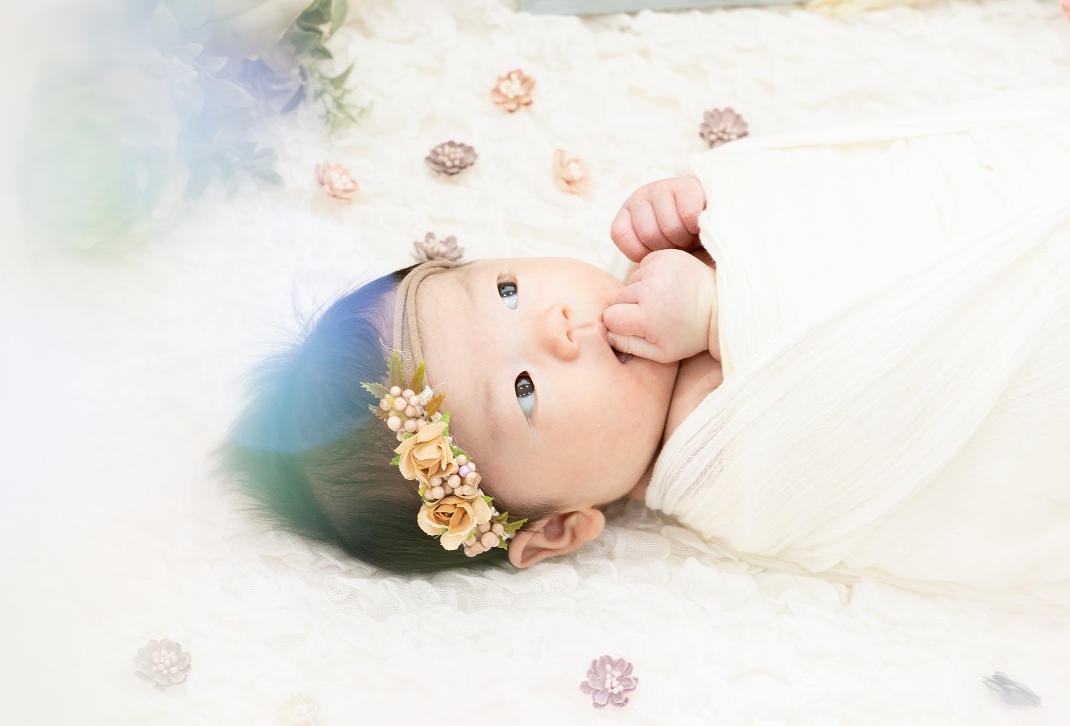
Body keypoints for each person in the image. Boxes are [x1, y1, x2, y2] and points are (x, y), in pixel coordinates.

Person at [221, 71, 1070, 610]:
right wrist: (724, 309)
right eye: (522, 389)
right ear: (559, 527)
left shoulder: (656, 256)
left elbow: (852, 202)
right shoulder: (716, 462)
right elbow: (875, 374)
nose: (554, 326)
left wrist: (724, 211)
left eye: (508, 291)